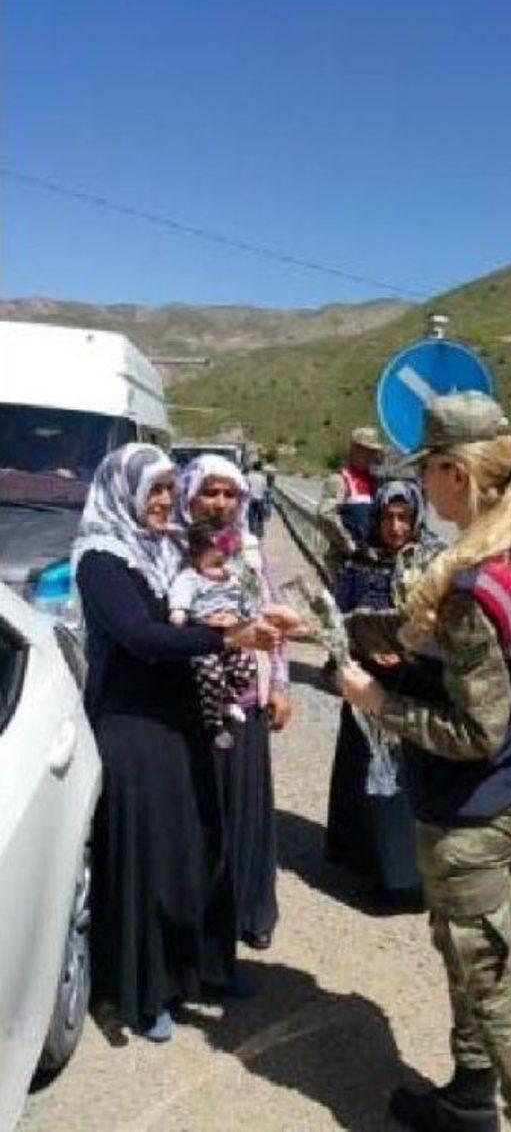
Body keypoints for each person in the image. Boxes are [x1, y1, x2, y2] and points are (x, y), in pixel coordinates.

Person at [336, 392, 511, 1132]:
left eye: (427, 473)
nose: (418, 488)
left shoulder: (472, 585)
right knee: (467, 957)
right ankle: (470, 1100)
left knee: (494, 989)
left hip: (472, 809)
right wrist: (343, 631)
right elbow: (459, 664)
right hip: (503, 800)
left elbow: (476, 731)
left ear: (454, 474)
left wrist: (379, 704)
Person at [73, 444, 281, 1042]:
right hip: (134, 731)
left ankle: (207, 968)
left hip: (180, 718)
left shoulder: (163, 550)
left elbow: (208, 596)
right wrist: (227, 640)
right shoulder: (102, 559)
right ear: (125, 493)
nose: (165, 501)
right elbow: (140, 637)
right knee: (151, 861)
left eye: (169, 489)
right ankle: (144, 994)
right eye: (154, 490)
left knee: (200, 849)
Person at [178, 453, 293, 950]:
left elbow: (271, 622)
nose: (220, 503)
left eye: (229, 493)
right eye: (211, 492)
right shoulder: (171, 549)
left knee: (244, 810)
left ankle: (249, 910)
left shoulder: (248, 552)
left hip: (245, 698)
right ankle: (195, 924)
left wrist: (281, 686)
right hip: (189, 700)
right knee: (197, 816)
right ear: (191, 495)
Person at [326, 480, 443, 908]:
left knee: (409, 778)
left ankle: (410, 876)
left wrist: (413, 653)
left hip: (415, 687)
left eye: (404, 517)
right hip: (366, 683)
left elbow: (447, 624)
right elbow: (334, 623)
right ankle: (368, 867)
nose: (395, 527)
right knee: (367, 774)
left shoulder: (435, 563)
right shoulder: (359, 564)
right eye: (387, 517)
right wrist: (362, 648)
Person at [169, 522, 258, 744]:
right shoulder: (192, 578)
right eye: (218, 564)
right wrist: (179, 612)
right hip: (204, 638)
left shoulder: (235, 580)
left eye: (230, 560)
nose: (226, 568)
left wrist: (247, 616)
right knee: (211, 675)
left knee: (246, 666)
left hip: (231, 637)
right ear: (197, 560)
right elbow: (181, 595)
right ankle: (214, 723)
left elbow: (248, 604)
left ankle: (229, 697)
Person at [317, 425, 383, 583]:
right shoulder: (340, 480)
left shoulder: (374, 482)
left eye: (373, 452)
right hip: (343, 561)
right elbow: (325, 514)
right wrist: (346, 541)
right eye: (366, 451)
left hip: (368, 559)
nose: (371, 456)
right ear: (354, 450)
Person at [246, 459, 268, 538]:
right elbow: (265, 489)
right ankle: (259, 533)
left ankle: (251, 533)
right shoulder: (263, 477)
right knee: (260, 517)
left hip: (251, 498)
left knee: (251, 517)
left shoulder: (249, 476)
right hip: (260, 499)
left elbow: (246, 487)